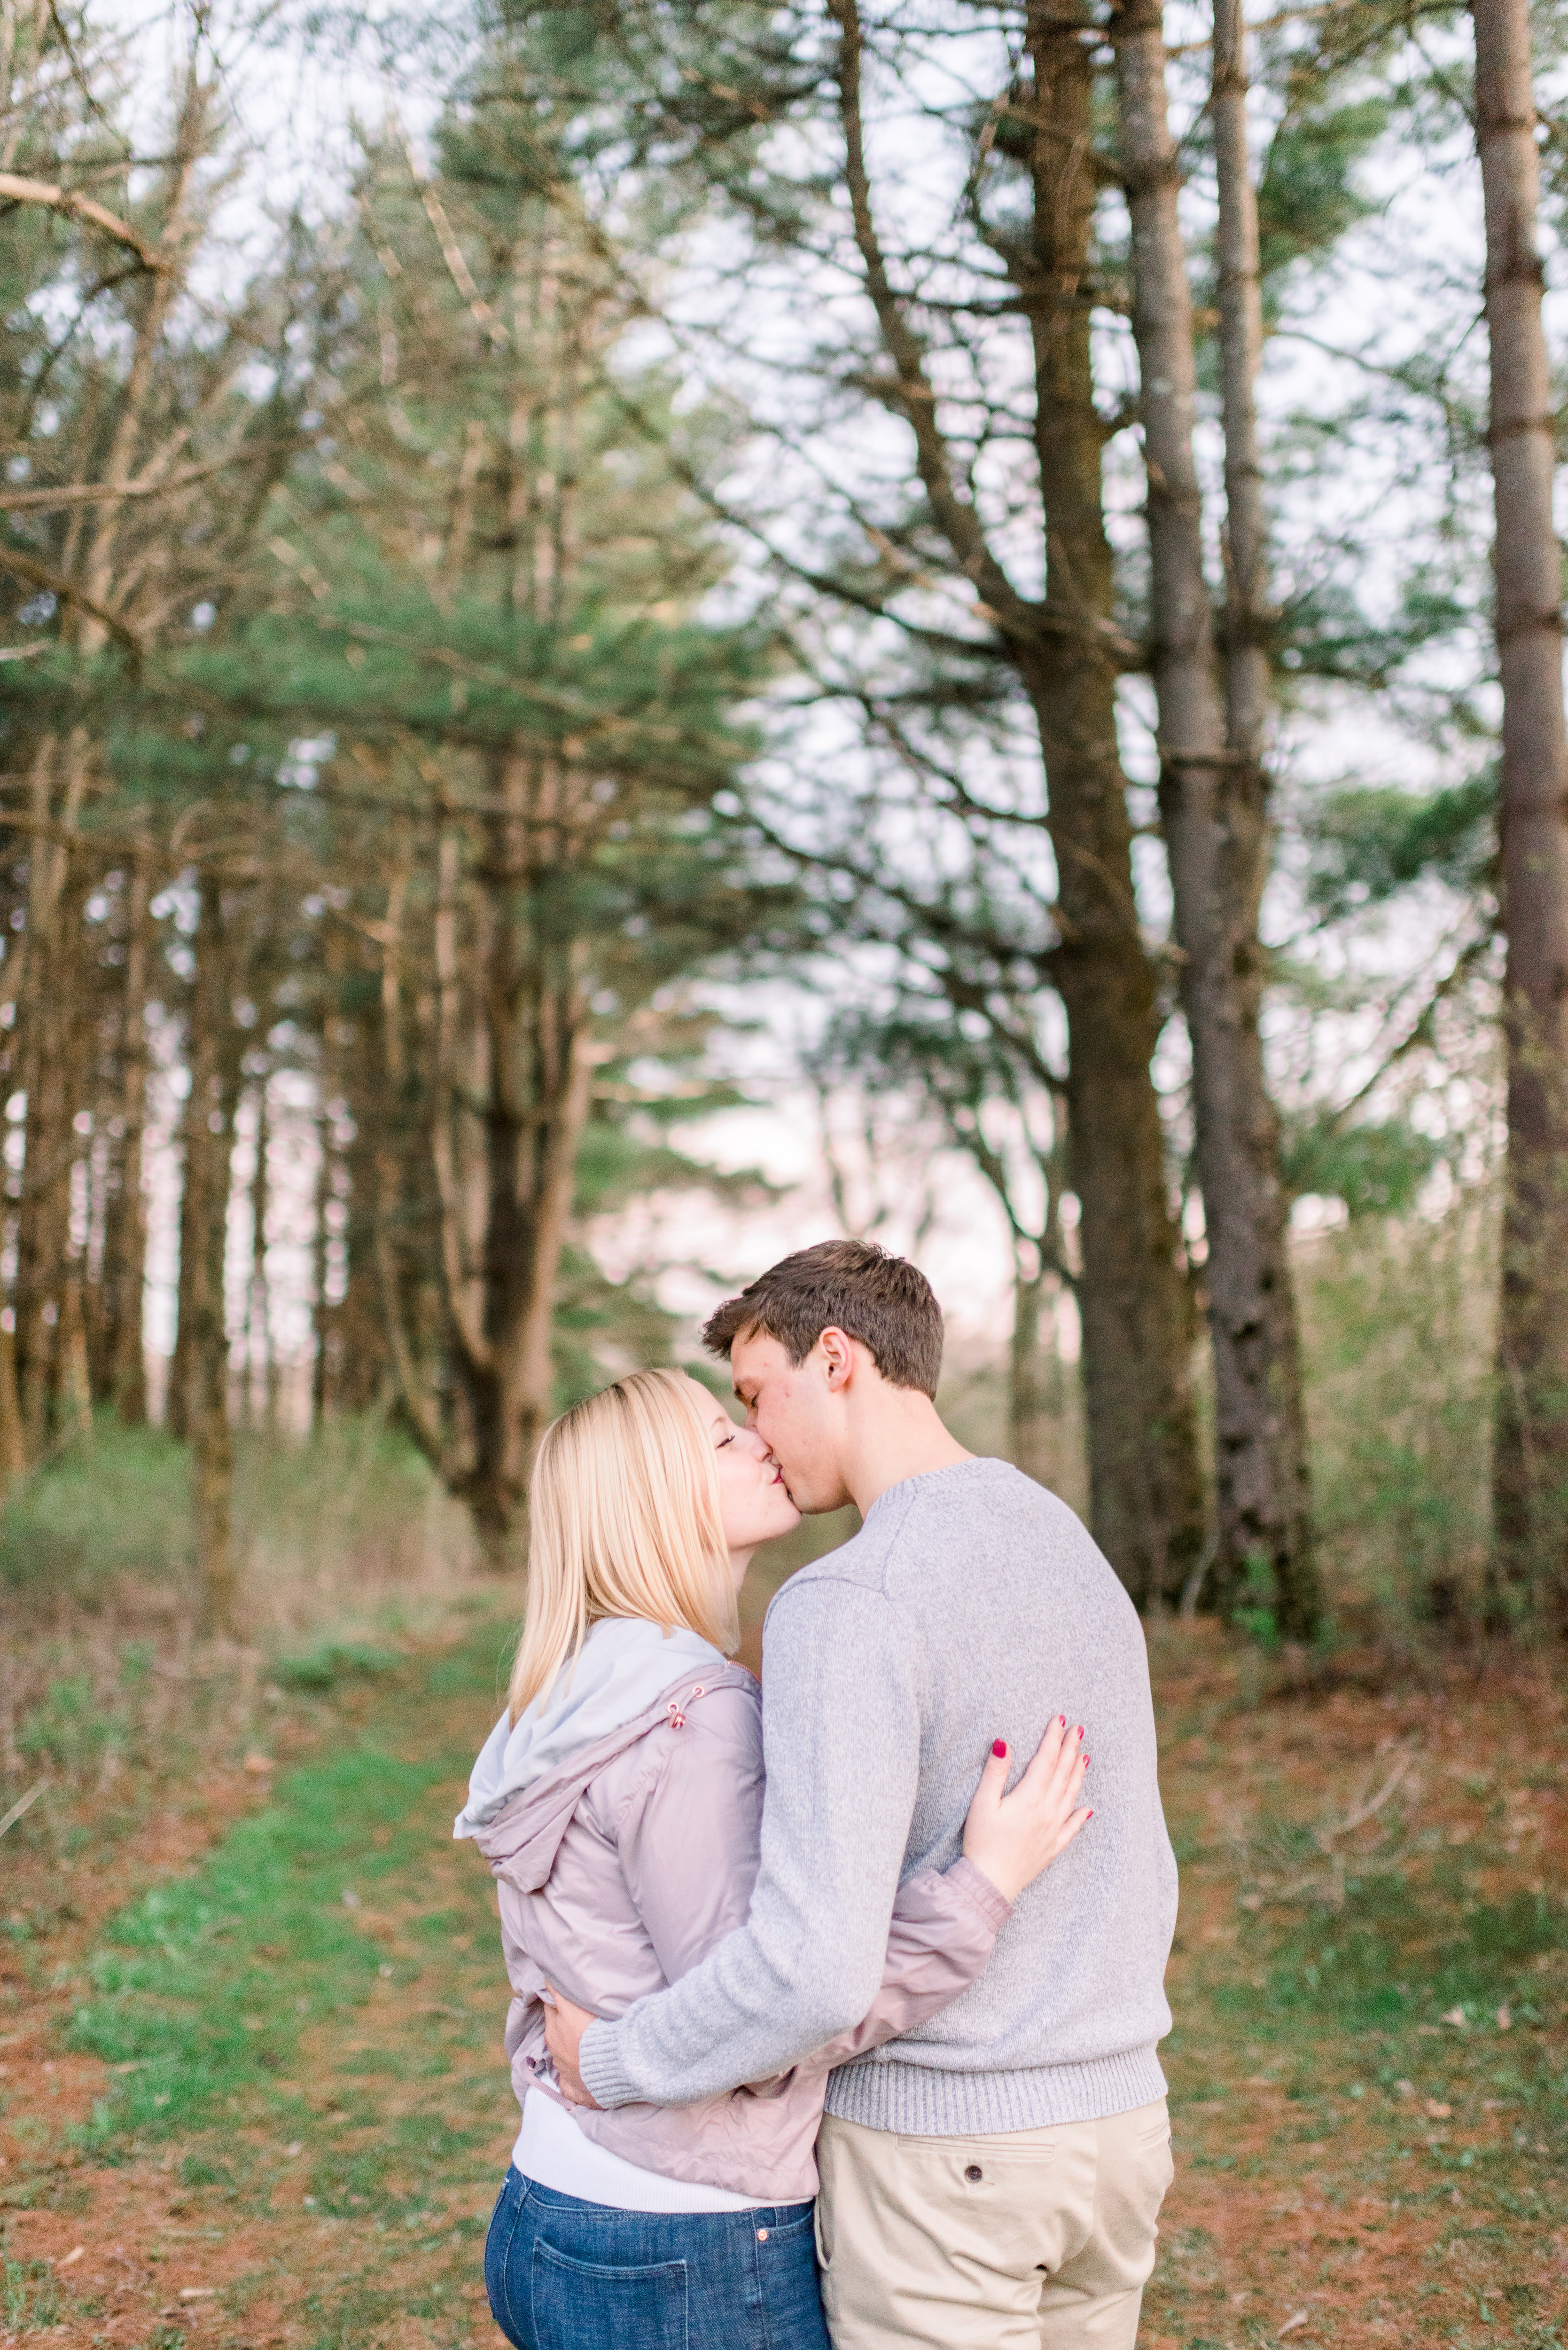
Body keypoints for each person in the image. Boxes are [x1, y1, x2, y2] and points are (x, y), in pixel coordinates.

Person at [545, 1239, 1179, 2350]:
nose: (758, 1439)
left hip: (947, 2158)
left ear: (834, 1359)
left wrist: (609, 2058)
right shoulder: (1064, 1538)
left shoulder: (846, 1598)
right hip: (1121, 2129)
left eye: (755, 1395)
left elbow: (811, 1968)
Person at [456, 1363, 1093, 2350]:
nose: (758, 1441)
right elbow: (773, 2010)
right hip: (683, 2238)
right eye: (720, 1439)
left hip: (555, 2201)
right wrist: (980, 1889)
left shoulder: (572, 1696)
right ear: (652, 1503)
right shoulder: (690, 1721)